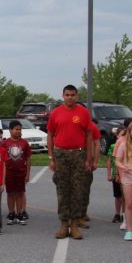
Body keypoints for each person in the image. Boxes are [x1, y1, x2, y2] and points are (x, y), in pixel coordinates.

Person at [46, 85, 92, 239]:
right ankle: (63, 225)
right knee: (62, 190)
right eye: (67, 95)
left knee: (78, 190)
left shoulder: (83, 112)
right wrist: (51, 157)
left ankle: (74, 224)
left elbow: (89, 136)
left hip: (78, 154)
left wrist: (88, 158)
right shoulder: (56, 113)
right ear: (63, 95)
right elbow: (50, 134)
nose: (70, 97)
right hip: (61, 155)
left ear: (77, 96)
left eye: (73, 95)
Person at [3, 120, 31, 226]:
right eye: (16, 129)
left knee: (20, 193)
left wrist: (28, 174)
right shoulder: (5, 143)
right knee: (10, 193)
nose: (18, 131)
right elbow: (2, 158)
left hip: (21, 172)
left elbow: (28, 159)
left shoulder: (24, 143)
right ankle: (11, 213)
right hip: (9, 172)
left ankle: (20, 213)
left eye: (20, 129)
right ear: (10, 130)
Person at [106, 127, 124, 225]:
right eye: (121, 135)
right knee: (118, 195)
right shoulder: (113, 146)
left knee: (126, 195)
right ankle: (117, 213)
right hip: (115, 174)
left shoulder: (128, 146)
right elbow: (109, 161)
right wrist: (109, 173)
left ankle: (125, 214)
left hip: (125, 174)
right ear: (117, 136)